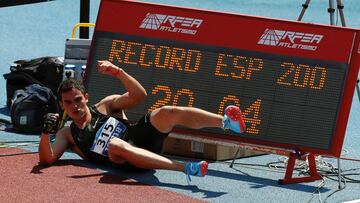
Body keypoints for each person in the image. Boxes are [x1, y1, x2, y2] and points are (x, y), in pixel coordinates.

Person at [38, 60, 246, 181]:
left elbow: (139, 96)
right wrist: (46, 133)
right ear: (62, 105)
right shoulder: (67, 133)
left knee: (166, 111)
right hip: (124, 159)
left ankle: (227, 122)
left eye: (78, 100)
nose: (75, 106)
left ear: (86, 98)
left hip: (141, 139)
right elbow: (47, 160)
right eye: (68, 102)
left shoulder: (106, 105)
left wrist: (118, 72)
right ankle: (186, 168)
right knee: (115, 144)